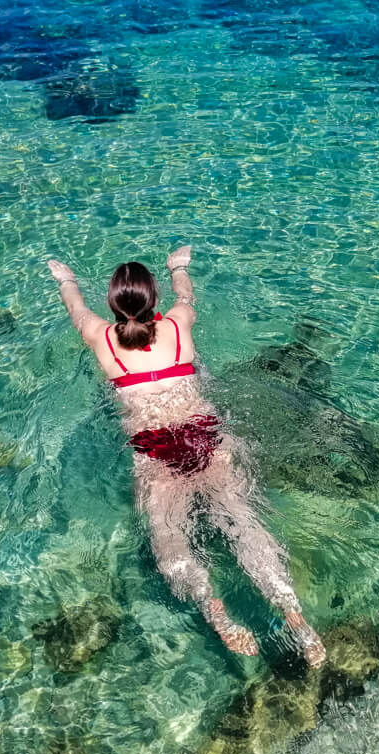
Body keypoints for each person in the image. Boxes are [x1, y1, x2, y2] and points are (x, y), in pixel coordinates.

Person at [47, 247, 326, 666]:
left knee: (170, 533)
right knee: (243, 523)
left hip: (153, 450)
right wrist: (178, 267)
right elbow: (187, 295)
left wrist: (66, 277)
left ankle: (214, 610)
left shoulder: (98, 335)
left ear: (113, 305)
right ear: (154, 300)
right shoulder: (178, 323)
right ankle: (294, 616)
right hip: (205, 439)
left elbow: (75, 307)